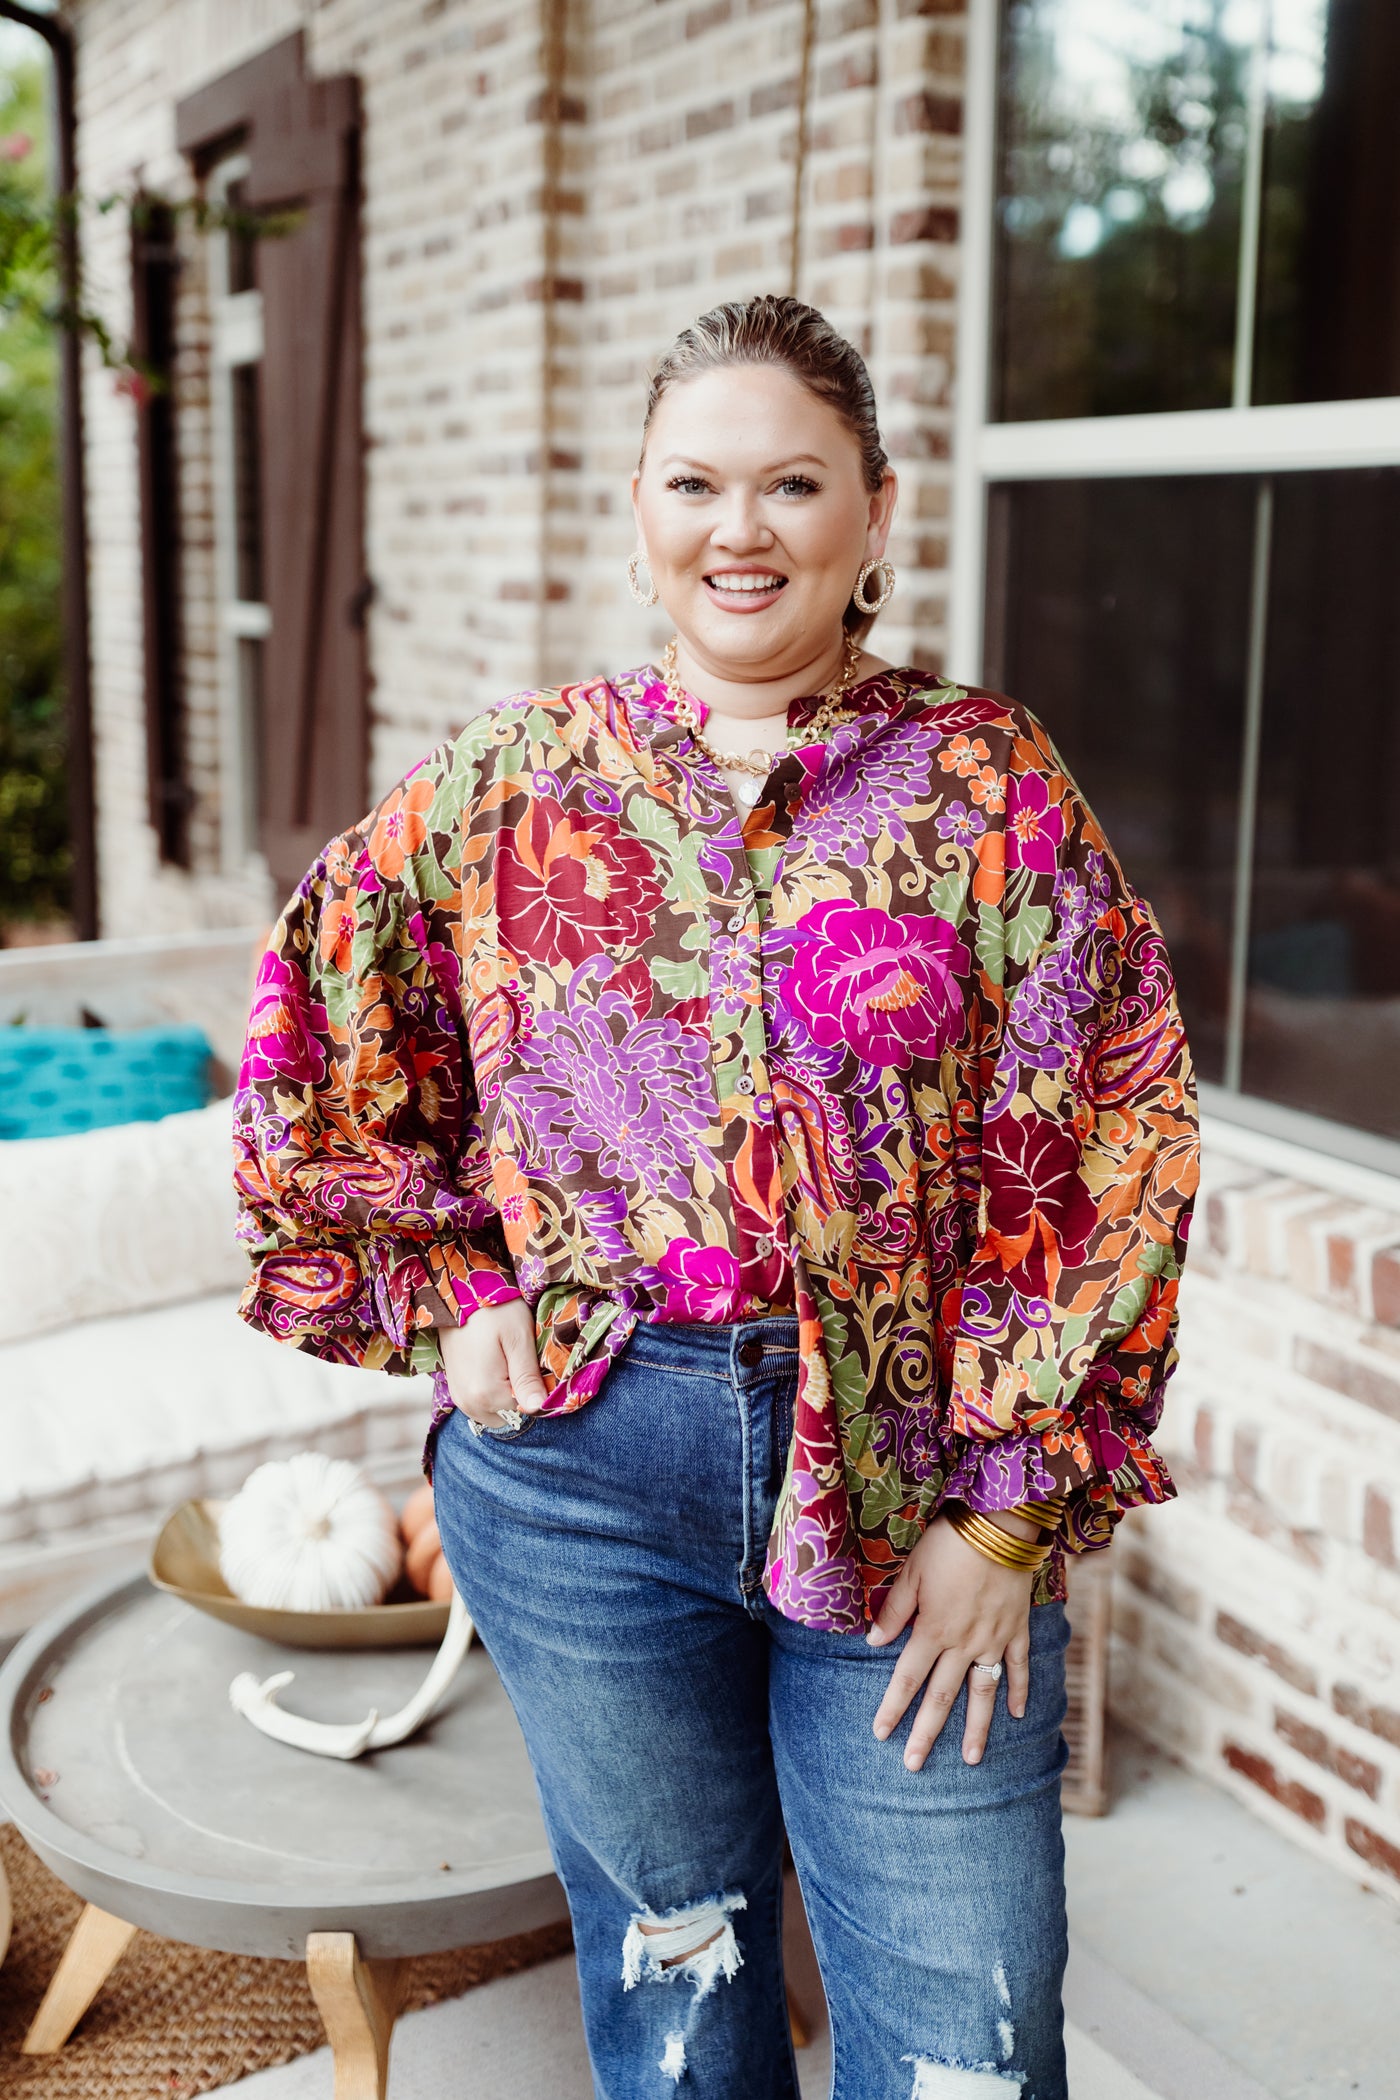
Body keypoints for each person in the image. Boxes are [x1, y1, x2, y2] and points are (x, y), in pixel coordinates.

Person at [233, 295, 1200, 2100]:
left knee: (965, 2029)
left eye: (791, 483)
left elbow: (1111, 1137)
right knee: (680, 2005)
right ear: (638, 505)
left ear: (876, 513)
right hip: (584, 1482)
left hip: (915, 1479)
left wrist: (1006, 1522)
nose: (738, 528)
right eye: (697, 482)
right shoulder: (506, 786)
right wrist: (453, 1286)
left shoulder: (993, 786)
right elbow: (320, 1025)